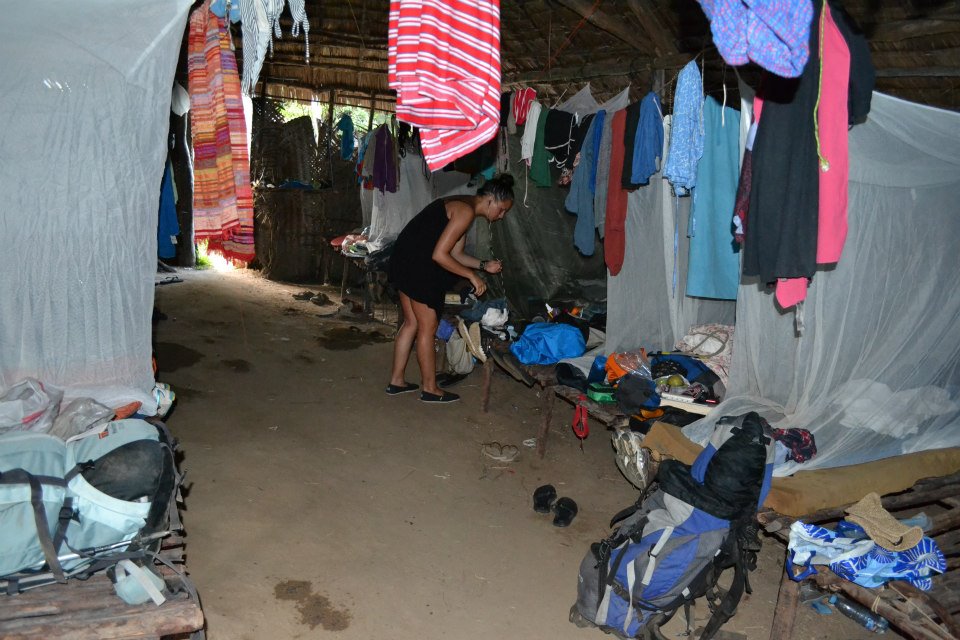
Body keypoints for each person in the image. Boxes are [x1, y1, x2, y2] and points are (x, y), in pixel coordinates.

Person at [386, 174, 515, 403]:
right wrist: (472, 276)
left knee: (412, 323)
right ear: (491, 200)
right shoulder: (464, 212)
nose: (502, 215)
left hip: (404, 259)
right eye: (502, 209)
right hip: (418, 265)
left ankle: (397, 381)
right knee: (428, 327)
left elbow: (455, 254)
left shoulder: (463, 205)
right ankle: (430, 389)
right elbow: (439, 255)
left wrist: (484, 265)